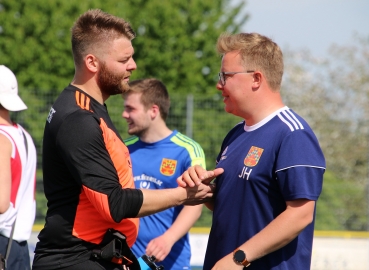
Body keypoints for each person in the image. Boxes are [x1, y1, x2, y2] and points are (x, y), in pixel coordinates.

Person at [32, 9, 215, 270]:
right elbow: (114, 203)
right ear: (93, 63)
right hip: (75, 259)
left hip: (96, 255)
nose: (133, 65)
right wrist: (184, 195)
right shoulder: (79, 119)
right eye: (124, 59)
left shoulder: (92, 109)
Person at [177, 32, 326, 270]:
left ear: (256, 78)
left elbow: (300, 215)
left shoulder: (293, 134)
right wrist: (204, 191)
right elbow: (240, 206)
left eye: (225, 76)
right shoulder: (236, 134)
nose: (219, 84)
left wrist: (239, 258)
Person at [122, 78, 206, 269]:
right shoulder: (121, 149)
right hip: (125, 262)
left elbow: (196, 202)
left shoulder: (188, 150)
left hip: (170, 263)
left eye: (130, 109)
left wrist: (168, 239)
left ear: (153, 110)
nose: (123, 114)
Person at [0, 65, 37, 270]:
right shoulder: (22, 134)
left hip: (2, 242)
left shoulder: (1, 139)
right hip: (18, 247)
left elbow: (1, 203)